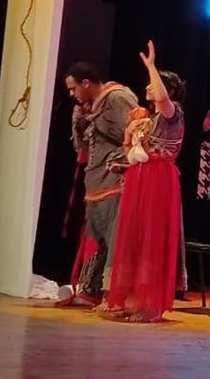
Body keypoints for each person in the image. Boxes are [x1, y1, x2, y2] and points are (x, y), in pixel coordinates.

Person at [101, 41, 186, 322]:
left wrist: (151, 66)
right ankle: (134, 299)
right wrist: (127, 152)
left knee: (152, 237)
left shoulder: (172, 113)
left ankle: (151, 305)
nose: (148, 86)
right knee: (135, 237)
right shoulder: (148, 120)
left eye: (154, 81)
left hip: (158, 180)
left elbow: (161, 97)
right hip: (140, 178)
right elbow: (135, 151)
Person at [56, 62, 139, 307]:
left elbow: (136, 135)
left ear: (86, 83)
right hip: (95, 181)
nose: (71, 94)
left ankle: (114, 294)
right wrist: (80, 124)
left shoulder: (117, 98)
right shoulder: (88, 107)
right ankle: (91, 290)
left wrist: (119, 162)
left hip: (114, 180)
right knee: (97, 240)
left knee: (115, 240)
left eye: (73, 88)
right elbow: (82, 148)